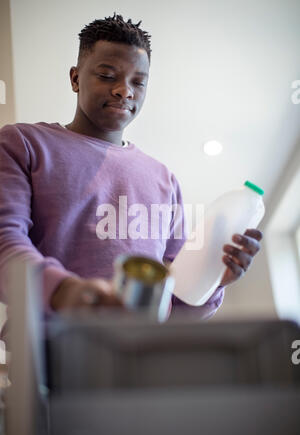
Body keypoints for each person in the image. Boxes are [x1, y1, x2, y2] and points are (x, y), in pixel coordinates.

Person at [0, 13, 262, 323]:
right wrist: (68, 293)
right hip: (50, 353)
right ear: (75, 78)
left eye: (138, 81)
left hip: (142, 359)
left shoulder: (164, 180)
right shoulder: (24, 144)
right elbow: (5, 244)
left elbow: (176, 304)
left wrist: (213, 282)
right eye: (108, 75)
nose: (125, 90)